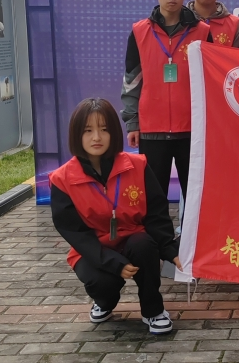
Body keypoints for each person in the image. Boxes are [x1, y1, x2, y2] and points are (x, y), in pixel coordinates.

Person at [50, 98, 181, 334]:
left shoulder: (137, 165)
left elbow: (156, 213)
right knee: (103, 283)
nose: (96, 137)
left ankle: (153, 310)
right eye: (88, 130)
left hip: (133, 237)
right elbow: (75, 232)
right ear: (76, 134)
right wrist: (112, 263)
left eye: (104, 129)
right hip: (93, 247)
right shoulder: (62, 179)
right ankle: (104, 303)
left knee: (144, 246)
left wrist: (170, 250)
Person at [121, 0, 211, 201]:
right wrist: (133, 123)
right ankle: (158, 229)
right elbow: (131, 80)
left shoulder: (202, 32)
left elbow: (210, 82)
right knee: (153, 196)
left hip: (192, 130)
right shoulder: (139, 31)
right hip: (152, 129)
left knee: (196, 196)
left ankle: (190, 229)